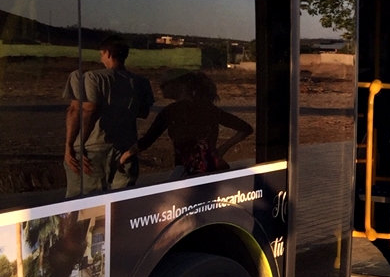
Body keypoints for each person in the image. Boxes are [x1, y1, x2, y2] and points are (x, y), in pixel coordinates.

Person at [64, 35, 154, 197]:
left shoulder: (93, 77)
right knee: (121, 202)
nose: (101, 58)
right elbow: (144, 112)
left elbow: (85, 110)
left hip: (93, 148)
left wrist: (72, 144)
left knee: (86, 202)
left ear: (107, 53)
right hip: (126, 148)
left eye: (101, 54)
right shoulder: (141, 82)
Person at [121, 71, 253, 177]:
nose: (161, 88)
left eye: (164, 84)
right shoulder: (210, 109)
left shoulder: (171, 111)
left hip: (186, 172)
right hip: (213, 169)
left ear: (181, 86)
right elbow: (245, 129)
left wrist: (125, 156)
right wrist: (220, 150)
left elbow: (147, 141)